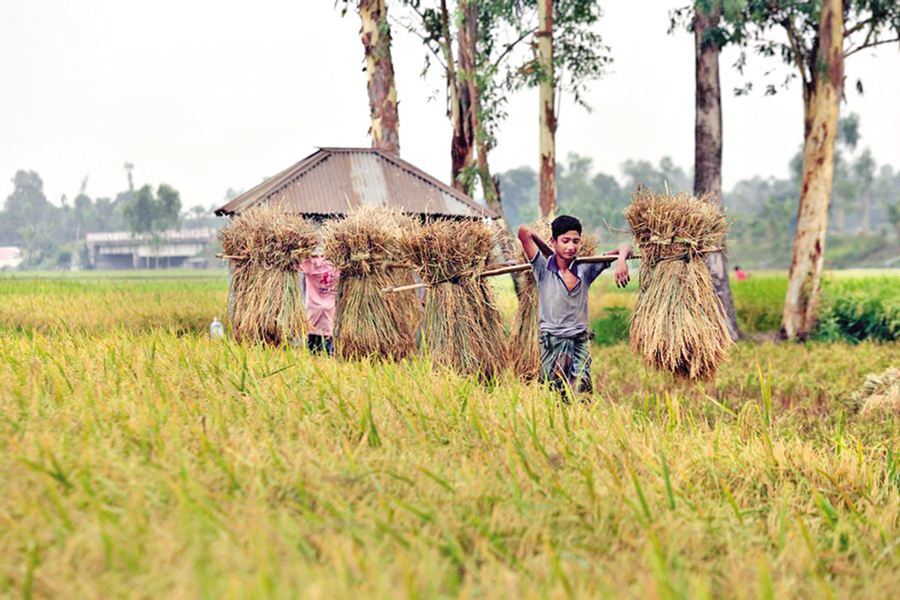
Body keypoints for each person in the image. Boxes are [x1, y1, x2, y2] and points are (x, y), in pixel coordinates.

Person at [518, 215, 632, 396]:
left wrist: (620, 261)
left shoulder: (586, 268)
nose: (571, 247)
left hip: (579, 341)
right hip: (552, 341)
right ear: (553, 241)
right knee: (554, 396)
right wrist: (549, 249)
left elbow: (626, 247)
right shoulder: (543, 268)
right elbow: (524, 231)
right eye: (565, 241)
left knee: (582, 395)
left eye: (575, 241)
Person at [298, 256, 340, 355]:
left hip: (316, 317)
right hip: (330, 318)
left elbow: (294, 262)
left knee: (314, 355)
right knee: (330, 356)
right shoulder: (339, 265)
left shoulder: (314, 264)